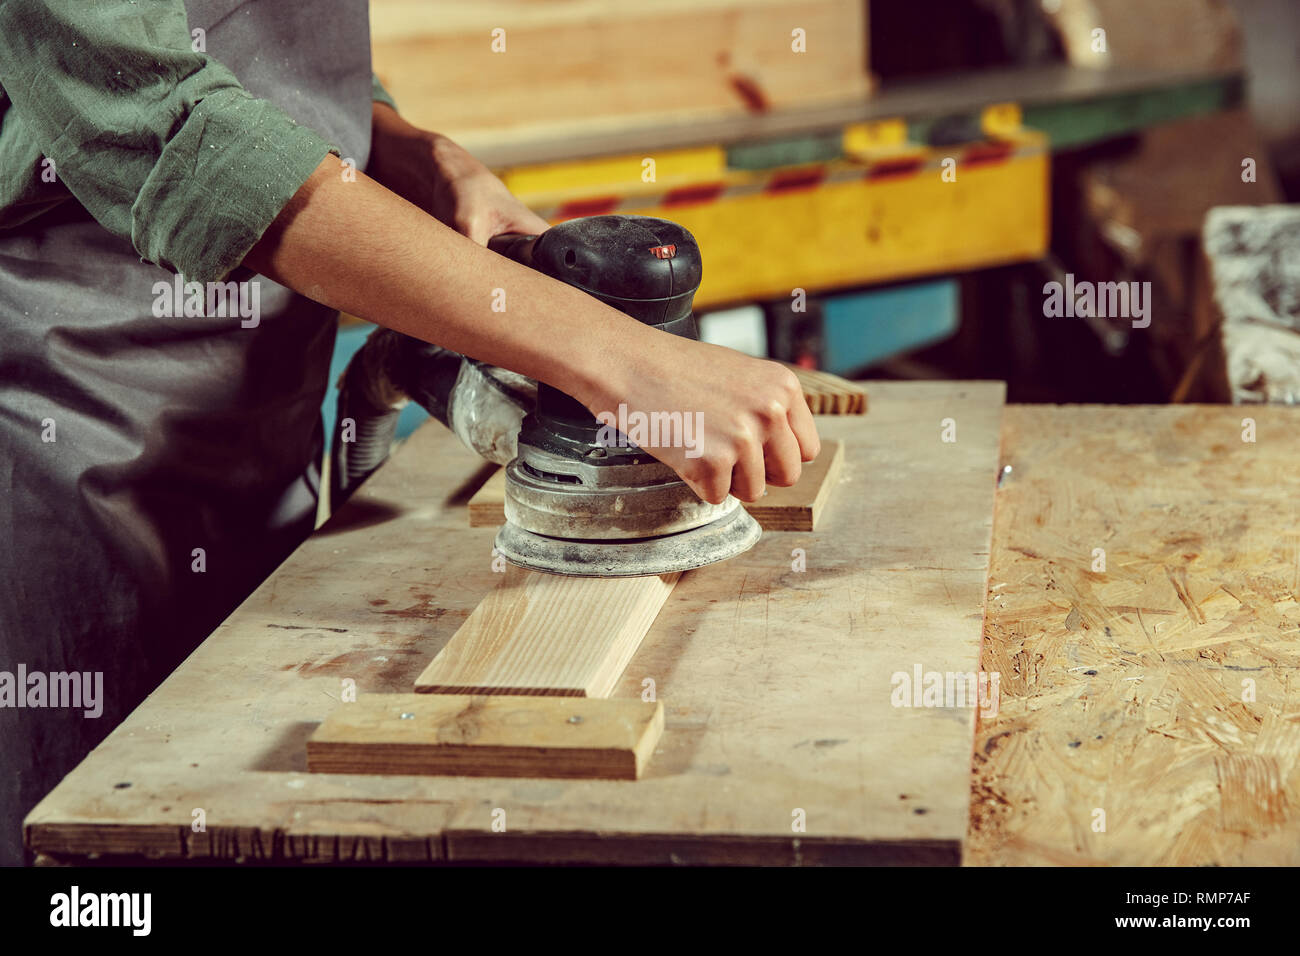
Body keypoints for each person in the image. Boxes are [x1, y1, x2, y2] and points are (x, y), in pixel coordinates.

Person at [0, 0, 820, 864]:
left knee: (240, 795)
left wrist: (417, 156)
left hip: (260, 388)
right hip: (72, 421)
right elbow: (159, 119)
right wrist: (619, 360)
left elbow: (255, 44)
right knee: (100, 831)